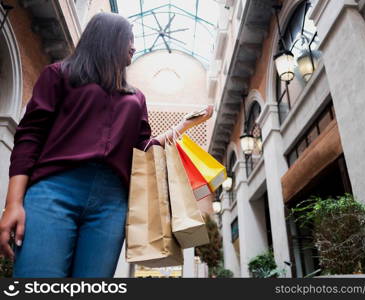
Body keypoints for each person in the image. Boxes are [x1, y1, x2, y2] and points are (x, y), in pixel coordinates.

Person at [0, 12, 213, 277]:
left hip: (111, 204)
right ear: (107, 39)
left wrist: (183, 125)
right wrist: (13, 203)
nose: (134, 46)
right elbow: (29, 136)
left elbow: (142, 150)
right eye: (129, 38)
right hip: (53, 191)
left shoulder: (136, 98)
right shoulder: (58, 75)